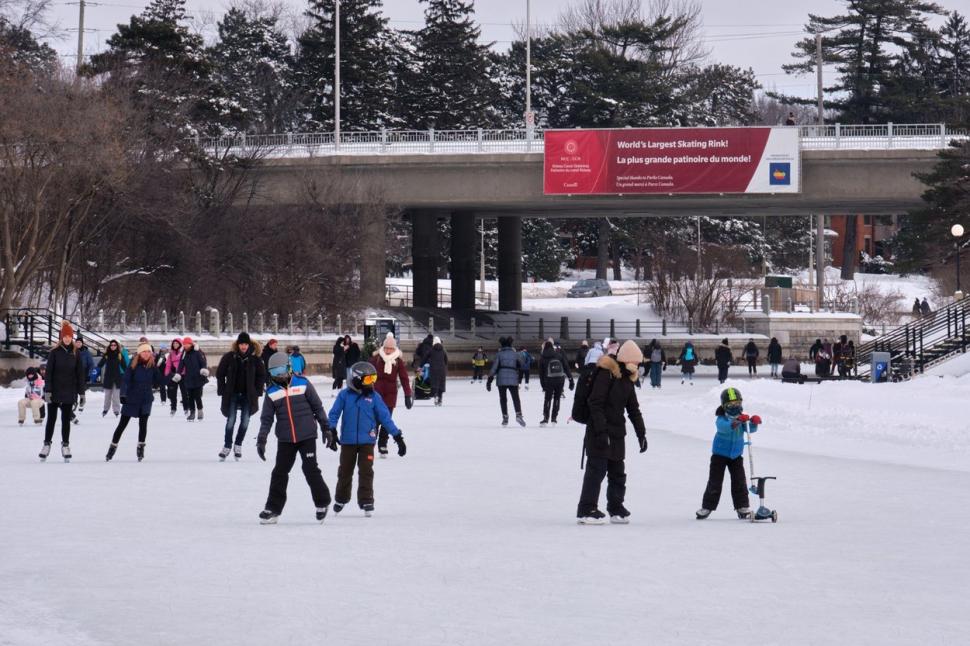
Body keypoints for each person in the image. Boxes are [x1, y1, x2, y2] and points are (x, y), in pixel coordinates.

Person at [256, 352, 337, 525]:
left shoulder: (303, 383)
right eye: (275, 372)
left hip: (307, 434)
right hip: (285, 438)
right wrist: (262, 439)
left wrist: (326, 428)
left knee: (310, 469)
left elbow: (318, 407)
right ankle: (273, 509)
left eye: (282, 370)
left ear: (289, 368)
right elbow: (266, 418)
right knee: (279, 472)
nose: (280, 375)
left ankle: (322, 502)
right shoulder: (271, 392)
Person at [576, 340, 648, 525]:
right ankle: (586, 509)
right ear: (628, 360)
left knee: (618, 472)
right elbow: (595, 403)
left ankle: (616, 508)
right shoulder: (606, 373)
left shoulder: (627, 378)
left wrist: (642, 434)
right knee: (596, 471)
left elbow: (633, 409)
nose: (639, 366)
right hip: (599, 430)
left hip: (617, 433)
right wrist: (601, 431)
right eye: (637, 362)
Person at [328, 362, 406, 517]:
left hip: (367, 442)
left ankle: (366, 500)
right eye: (368, 380)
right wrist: (331, 430)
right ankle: (341, 498)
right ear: (357, 380)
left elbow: (385, 417)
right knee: (345, 471)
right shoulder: (344, 395)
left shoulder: (374, 397)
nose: (372, 383)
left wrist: (397, 436)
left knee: (366, 472)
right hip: (348, 442)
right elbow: (334, 413)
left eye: (373, 380)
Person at [696, 388, 762, 520]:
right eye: (731, 405)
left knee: (739, 481)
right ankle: (707, 506)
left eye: (737, 403)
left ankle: (742, 506)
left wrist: (753, 423)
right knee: (715, 481)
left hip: (736, 455)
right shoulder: (721, 418)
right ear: (724, 406)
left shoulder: (742, 417)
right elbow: (724, 428)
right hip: (719, 455)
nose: (734, 407)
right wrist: (737, 421)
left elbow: (748, 429)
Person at [105, 343, 163, 462]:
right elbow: (125, 380)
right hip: (132, 398)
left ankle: (140, 447)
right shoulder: (133, 365)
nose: (146, 354)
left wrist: (171, 375)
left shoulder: (153, 366)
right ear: (139, 353)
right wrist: (123, 394)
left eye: (148, 352)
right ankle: (113, 446)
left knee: (143, 424)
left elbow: (159, 381)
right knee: (122, 424)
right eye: (144, 352)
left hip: (146, 399)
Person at [40, 321, 86, 462]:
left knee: (66, 420)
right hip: (53, 391)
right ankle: (46, 445)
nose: (67, 338)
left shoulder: (76, 353)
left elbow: (80, 374)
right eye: (65, 336)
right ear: (61, 337)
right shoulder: (54, 352)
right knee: (51, 419)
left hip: (69, 391)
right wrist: (48, 391)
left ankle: (65, 445)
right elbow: (48, 374)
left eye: (69, 336)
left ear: (72, 337)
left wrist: (81, 393)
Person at [216, 332, 266, 461]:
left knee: (245, 421)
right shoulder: (229, 357)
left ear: (249, 345)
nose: (243, 346)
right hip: (232, 393)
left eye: (245, 344)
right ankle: (227, 446)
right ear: (237, 345)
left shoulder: (255, 359)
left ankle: (238, 444)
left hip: (248, 395)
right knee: (230, 420)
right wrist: (222, 389)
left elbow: (261, 375)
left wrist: (257, 391)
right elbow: (220, 373)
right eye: (241, 344)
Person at [369, 332, 413, 458]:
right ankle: (370, 444)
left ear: (394, 349)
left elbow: (404, 378)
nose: (388, 351)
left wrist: (407, 395)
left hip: (390, 395)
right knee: (375, 420)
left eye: (391, 348)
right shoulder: (376, 359)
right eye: (386, 348)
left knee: (386, 420)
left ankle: (383, 444)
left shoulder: (398, 361)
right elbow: (365, 372)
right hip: (376, 395)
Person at [487, 336, 526, 427]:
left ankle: (505, 417)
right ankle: (518, 414)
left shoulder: (499, 354)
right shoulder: (515, 354)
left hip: (501, 378)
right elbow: (521, 364)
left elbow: (494, 368)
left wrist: (489, 380)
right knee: (516, 398)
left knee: (503, 399)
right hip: (513, 377)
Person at [538, 339, 573, 426]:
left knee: (548, 399)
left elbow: (541, 373)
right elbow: (566, 367)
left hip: (548, 380)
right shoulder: (559, 355)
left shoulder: (542, 357)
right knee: (557, 398)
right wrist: (570, 379)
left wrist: (543, 385)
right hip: (560, 379)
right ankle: (554, 419)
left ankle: (546, 418)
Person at [177, 337, 208, 421]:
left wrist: (204, 370)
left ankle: (200, 411)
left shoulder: (197, 352)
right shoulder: (184, 353)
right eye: (184, 344)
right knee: (190, 397)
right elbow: (181, 364)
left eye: (187, 344)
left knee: (197, 396)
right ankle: (192, 413)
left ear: (191, 344)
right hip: (188, 378)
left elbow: (203, 362)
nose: (186, 346)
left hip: (198, 377)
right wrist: (178, 373)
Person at [98, 339, 127, 417]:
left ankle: (116, 410)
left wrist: (128, 374)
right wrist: (97, 370)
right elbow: (100, 364)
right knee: (107, 395)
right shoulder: (107, 355)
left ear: (117, 346)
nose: (113, 346)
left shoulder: (119, 355)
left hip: (117, 378)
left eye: (114, 345)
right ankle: (105, 409)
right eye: (112, 345)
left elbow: (124, 366)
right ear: (109, 346)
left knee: (116, 396)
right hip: (108, 378)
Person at [160, 338, 185, 417]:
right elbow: (168, 365)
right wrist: (167, 374)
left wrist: (181, 373)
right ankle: (173, 408)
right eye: (174, 344)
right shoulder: (171, 354)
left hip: (182, 374)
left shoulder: (183, 353)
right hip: (173, 375)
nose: (175, 345)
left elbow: (185, 364)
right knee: (172, 393)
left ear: (180, 344)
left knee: (184, 392)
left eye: (177, 343)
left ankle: (186, 408)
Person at [428, 336, 448, 406]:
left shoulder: (431, 350)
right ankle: (440, 399)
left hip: (433, 369)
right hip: (442, 369)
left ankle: (435, 396)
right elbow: (446, 360)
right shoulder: (443, 350)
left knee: (435, 383)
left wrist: (420, 366)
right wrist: (444, 366)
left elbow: (425, 358)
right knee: (441, 384)